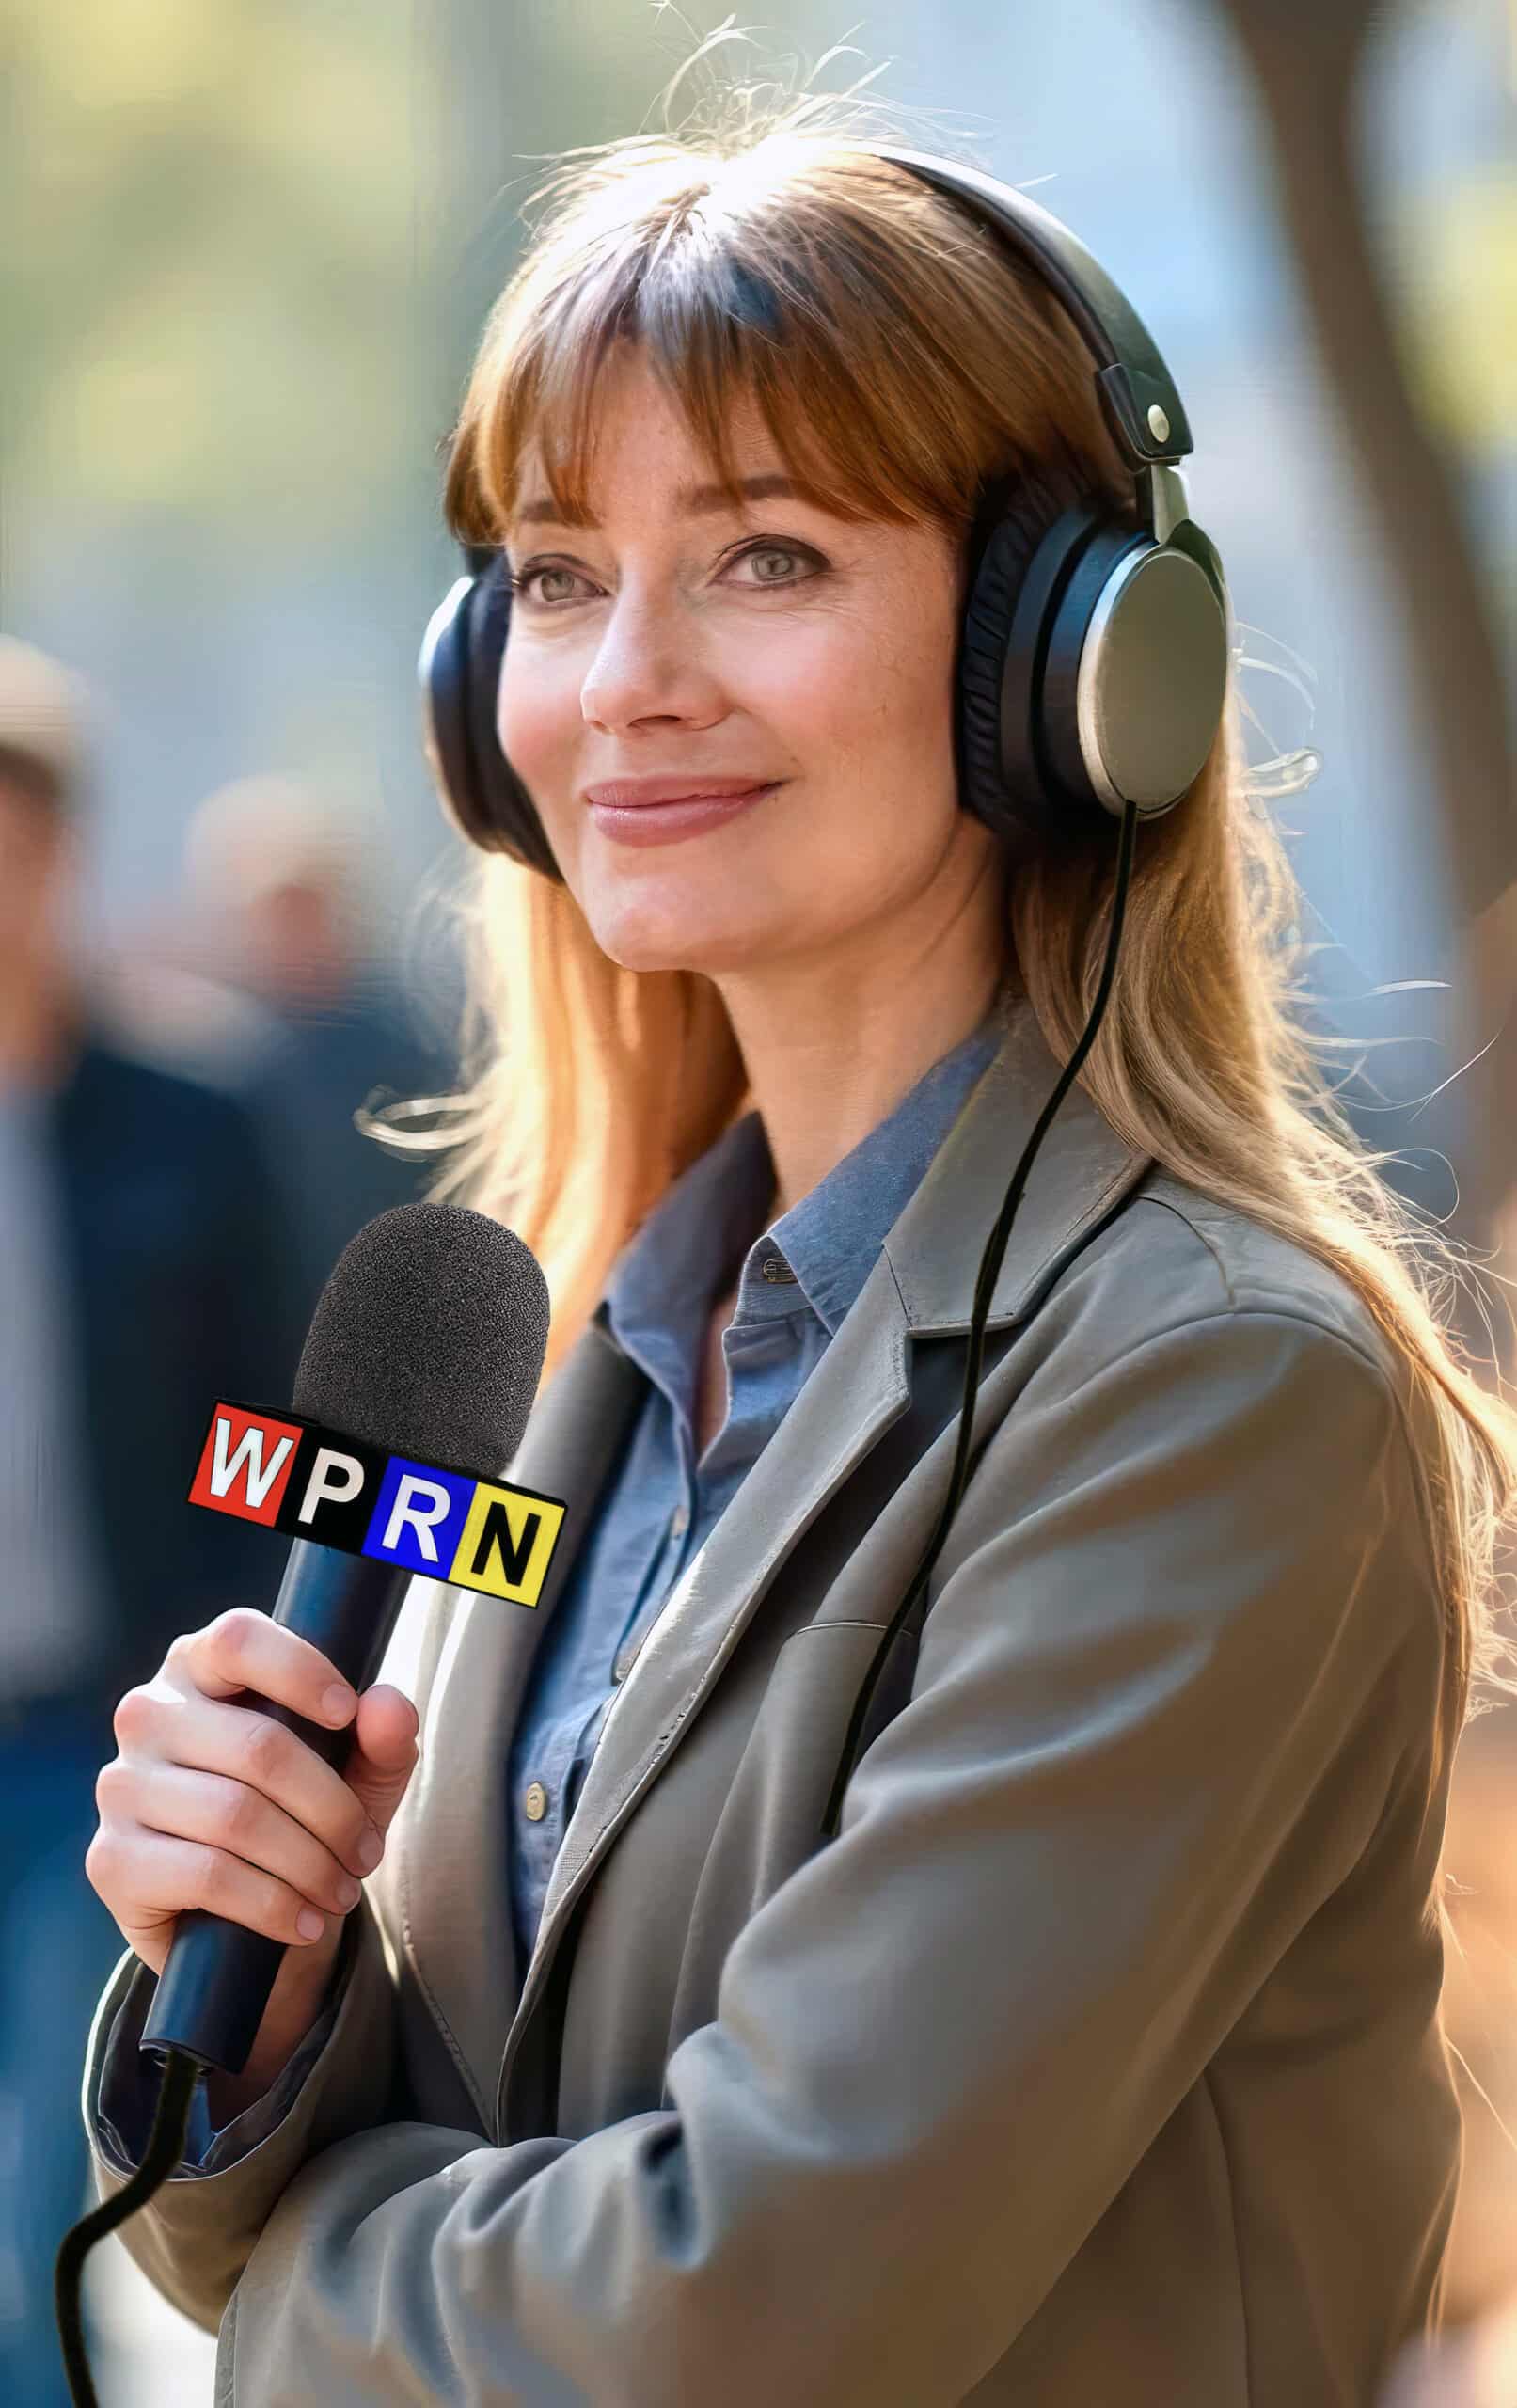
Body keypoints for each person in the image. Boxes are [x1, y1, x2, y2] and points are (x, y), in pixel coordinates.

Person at [74, 84, 1517, 2408]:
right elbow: (358, 2160)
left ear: (1068, 662)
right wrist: (262, 1999)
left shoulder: (1211, 1383)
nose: (626, 671)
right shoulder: (572, 1359)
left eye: (763, 555)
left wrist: (300, 2274)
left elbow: (739, 2323)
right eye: (557, 576)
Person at [0, 636, 304, 2406]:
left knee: (47, 2179)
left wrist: (490, 1557)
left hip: (102, 1736)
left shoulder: (189, 1119)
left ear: (65, 861)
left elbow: (281, 1436)